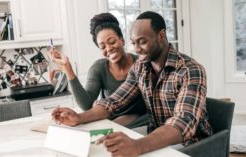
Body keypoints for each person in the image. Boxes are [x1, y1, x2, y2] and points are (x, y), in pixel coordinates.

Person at [52, 11, 213, 157]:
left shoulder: (190, 70)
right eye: (134, 42)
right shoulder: (141, 67)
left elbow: (182, 124)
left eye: (142, 42)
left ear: (161, 36)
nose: (136, 49)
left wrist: (137, 145)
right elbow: (113, 102)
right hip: (157, 140)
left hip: (192, 146)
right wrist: (79, 118)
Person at [49, 13, 147, 128]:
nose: (109, 49)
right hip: (110, 123)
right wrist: (67, 67)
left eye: (112, 42)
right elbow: (87, 105)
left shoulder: (141, 64)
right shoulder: (99, 68)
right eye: (103, 47)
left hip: (141, 123)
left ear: (122, 40)